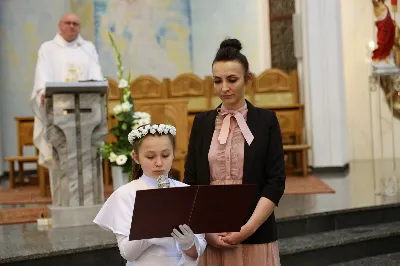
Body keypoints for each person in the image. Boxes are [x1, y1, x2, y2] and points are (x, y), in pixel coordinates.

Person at [183, 38, 285, 265]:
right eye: (217, 81)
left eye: (232, 80)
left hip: (255, 234)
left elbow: (276, 181)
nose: (224, 88)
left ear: (248, 79)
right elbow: (191, 182)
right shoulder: (201, 123)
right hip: (211, 234)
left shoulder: (266, 121)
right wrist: (206, 231)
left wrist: (247, 229)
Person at [94, 124, 207, 266]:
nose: (159, 163)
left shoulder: (188, 192)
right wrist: (148, 233)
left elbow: (198, 251)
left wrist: (189, 243)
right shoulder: (125, 195)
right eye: (150, 156)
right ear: (136, 157)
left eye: (165, 155)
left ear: (173, 154)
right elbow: (127, 253)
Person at [30, 13, 103, 173]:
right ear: (60, 25)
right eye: (68, 23)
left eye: (75, 24)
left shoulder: (87, 48)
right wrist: (43, 91)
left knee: (85, 157)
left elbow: (96, 76)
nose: (71, 26)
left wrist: (98, 88)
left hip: (84, 111)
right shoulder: (48, 48)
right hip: (57, 110)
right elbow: (42, 74)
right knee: (59, 157)